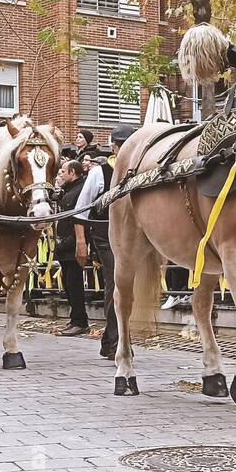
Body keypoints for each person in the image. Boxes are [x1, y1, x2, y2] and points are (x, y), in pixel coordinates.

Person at [77, 125, 135, 359]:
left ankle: (108, 339)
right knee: (115, 283)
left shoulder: (139, 168)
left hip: (131, 234)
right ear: (115, 146)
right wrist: (81, 242)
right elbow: (81, 210)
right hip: (104, 234)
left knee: (125, 285)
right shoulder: (99, 172)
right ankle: (115, 341)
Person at [53, 158, 90, 336]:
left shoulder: (80, 190)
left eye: (63, 171)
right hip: (63, 245)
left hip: (72, 244)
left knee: (75, 285)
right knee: (68, 285)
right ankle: (75, 318)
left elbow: (78, 218)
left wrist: (71, 241)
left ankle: (80, 321)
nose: (60, 173)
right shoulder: (67, 190)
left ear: (72, 173)